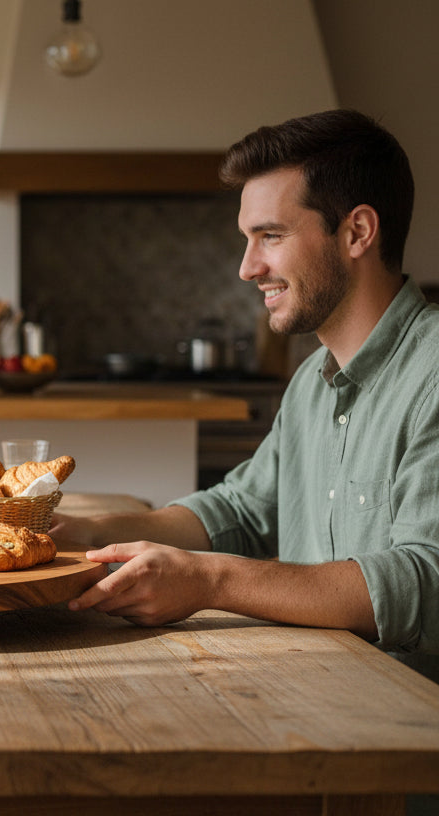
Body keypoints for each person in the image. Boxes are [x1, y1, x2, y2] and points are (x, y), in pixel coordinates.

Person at [54, 109, 439, 683]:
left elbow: (425, 583)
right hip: (318, 694)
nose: (247, 267)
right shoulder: (313, 383)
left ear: (357, 232)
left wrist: (211, 580)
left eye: (272, 236)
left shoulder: (431, 371)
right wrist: (90, 533)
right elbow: (238, 511)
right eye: (248, 238)